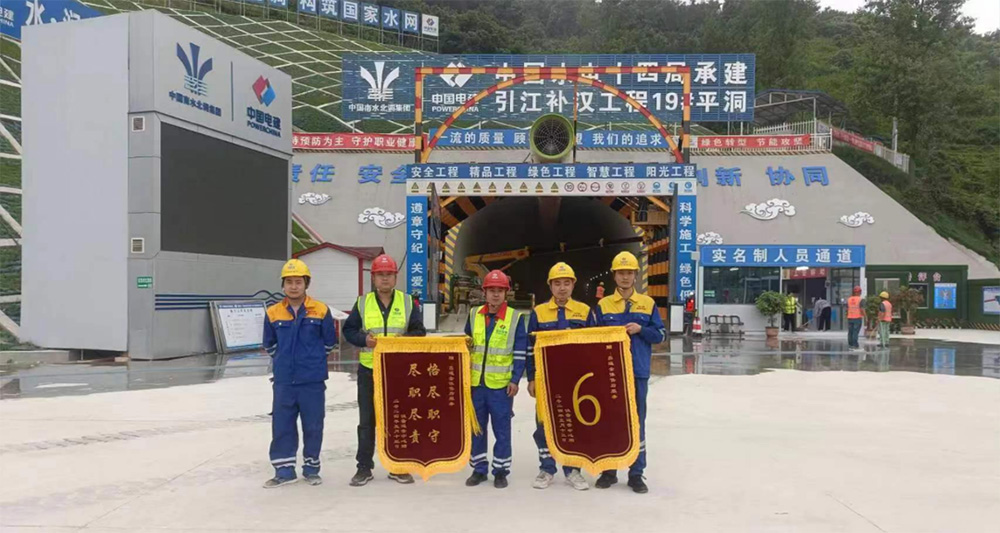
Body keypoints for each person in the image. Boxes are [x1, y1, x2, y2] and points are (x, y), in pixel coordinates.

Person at [343, 254, 426, 487]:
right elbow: (349, 331)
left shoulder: (408, 302)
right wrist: (364, 340)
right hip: (369, 371)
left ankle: (398, 466)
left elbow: (420, 332)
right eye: (380, 275)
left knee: (398, 419)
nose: (385, 278)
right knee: (367, 421)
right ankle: (364, 467)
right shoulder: (363, 302)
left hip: (399, 372)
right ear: (374, 278)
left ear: (395, 277)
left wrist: (403, 340)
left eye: (389, 274)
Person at [261, 259, 338, 488]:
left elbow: (329, 343)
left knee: (313, 425)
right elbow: (269, 344)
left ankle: (311, 468)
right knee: (282, 425)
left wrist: (311, 361)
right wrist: (285, 362)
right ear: (283, 285)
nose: (294, 286)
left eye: (298, 282)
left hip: (312, 381)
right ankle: (284, 471)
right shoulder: (273, 312)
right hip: (284, 381)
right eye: (289, 282)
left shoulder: (321, 310)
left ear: (306, 284)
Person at [594, 251, 665, 494]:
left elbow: (660, 335)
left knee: (636, 422)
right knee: (610, 421)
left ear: (636, 275)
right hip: (611, 374)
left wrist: (641, 329)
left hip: (637, 372)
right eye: (621, 273)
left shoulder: (648, 304)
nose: (625, 277)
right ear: (614, 275)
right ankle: (609, 471)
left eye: (629, 273)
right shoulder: (603, 305)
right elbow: (593, 339)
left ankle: (636, 473)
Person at [526, 261, 598, 491]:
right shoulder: (538, 313)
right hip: (545, 379)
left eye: (567, 283)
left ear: (573, 285)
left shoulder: (584, 311)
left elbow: (594, 345)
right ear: (550, 286)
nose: (562, 288)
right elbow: (530, 348)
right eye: (557, 283)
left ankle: (573, 470)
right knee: (544, 425)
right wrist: (531, 378)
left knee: (573, 423)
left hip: (576, 380)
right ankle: (547, 468)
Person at [463, 270, 528, 489]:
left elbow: (520, 352)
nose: (496, 294)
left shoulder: (515, 318)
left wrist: (515, 379)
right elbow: (465, 346)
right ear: (484, 292)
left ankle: (500, 471)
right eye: (491, 290)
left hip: (501, 387)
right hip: (476, 385)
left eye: (500, 290)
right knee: (477, 429)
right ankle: (479, 469)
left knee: (502, 431)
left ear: (506, 293)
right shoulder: (474, 315)